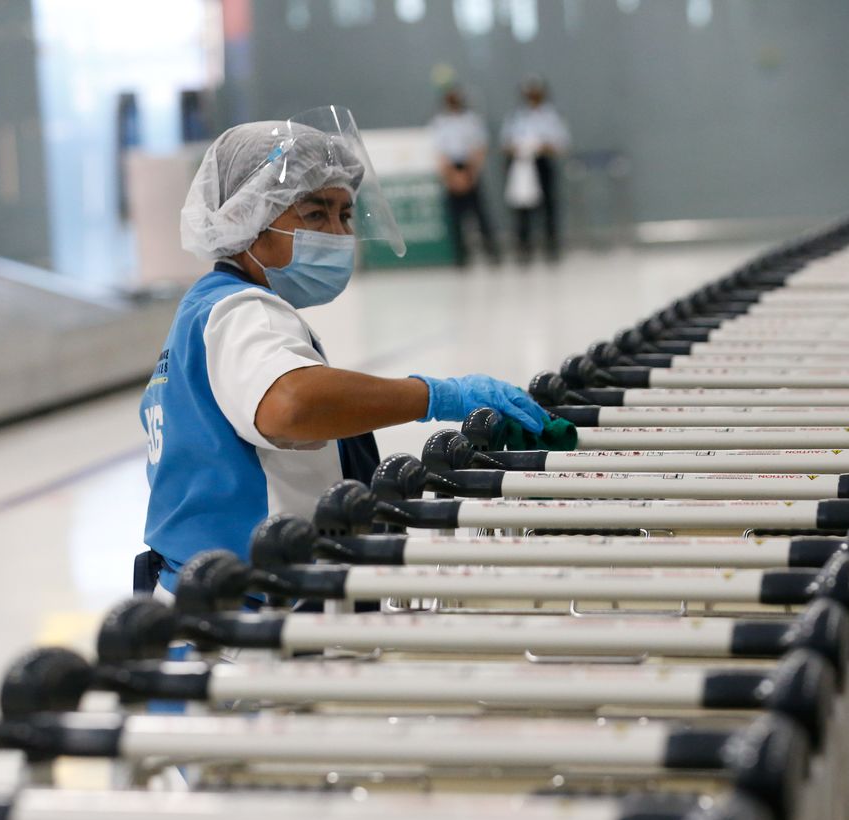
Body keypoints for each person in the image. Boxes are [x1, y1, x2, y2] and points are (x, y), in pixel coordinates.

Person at [138, 107, 548, 595]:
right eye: (314, 214)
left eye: (345, 214)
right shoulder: (244, 310)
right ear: (246, 219)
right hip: (251, 609)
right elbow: (292, 404)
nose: (336, 234)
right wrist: (434, 397)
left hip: (208, 591)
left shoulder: (205, 311)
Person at [502, 77, 570, 263]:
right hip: (521, 165)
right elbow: (506, 143)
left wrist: (541, 146)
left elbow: (561, 144)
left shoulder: (551, 116)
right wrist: (520, 147)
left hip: (542, 163)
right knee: (522, 208)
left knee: (548, 206)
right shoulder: (517, 116)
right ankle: (524, 248)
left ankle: (551, 247)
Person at [429, 86, 500, 267]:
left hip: (470, 169)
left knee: (480, 214)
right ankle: (460, 256)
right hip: (451, 170)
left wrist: (470, 173)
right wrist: (451, 175)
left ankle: (491, 251)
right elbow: (438, 152)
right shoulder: (439, 123)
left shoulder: (472, 121)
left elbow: (480, 147)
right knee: (455, 217)